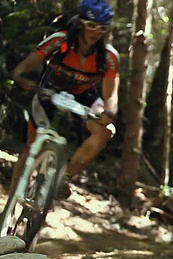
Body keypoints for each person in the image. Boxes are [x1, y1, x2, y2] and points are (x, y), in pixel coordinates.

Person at [10, 0, 119, 198]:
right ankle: (9, 203)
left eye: (102, 28)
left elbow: (110, 93)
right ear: (80, 23)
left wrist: (108, 113)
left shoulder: (108, 56)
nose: (96, 32)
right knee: (29, 150)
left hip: (84, 97)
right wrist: (21, 78)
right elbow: (24, 67)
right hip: (50, 91)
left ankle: (64, 178)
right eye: (91, 25)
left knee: (106, 131)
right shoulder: (60, 41)